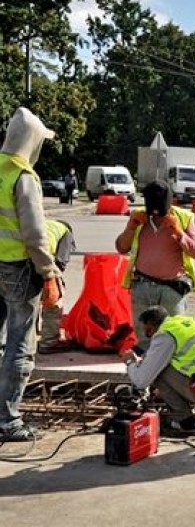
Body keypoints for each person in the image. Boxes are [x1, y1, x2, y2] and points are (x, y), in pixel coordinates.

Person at [0, 107, 62, 442]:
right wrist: (48, 272)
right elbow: (36, 235)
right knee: (19, 346)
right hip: (17, 272)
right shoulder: (23, 176)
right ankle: (7, 420)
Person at [115, 179, 195, 351]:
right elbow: (121, 247)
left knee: (175, 335)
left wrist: (179, 233)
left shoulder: (183, 218)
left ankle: (172, 365)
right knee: (144, 337)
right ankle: (145, 365)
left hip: (172, 287)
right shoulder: (139, 218)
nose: (156, 213)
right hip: (142, 284)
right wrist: (131, 228)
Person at [37, 219, 76, 354]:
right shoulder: (66, 232)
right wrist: (52, 279)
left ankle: (28, 338)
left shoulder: (46, 224)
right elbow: (61, 260)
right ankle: (49, 341)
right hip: (43, 259)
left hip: (19, 259)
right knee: (53, 301)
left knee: (26, 300)